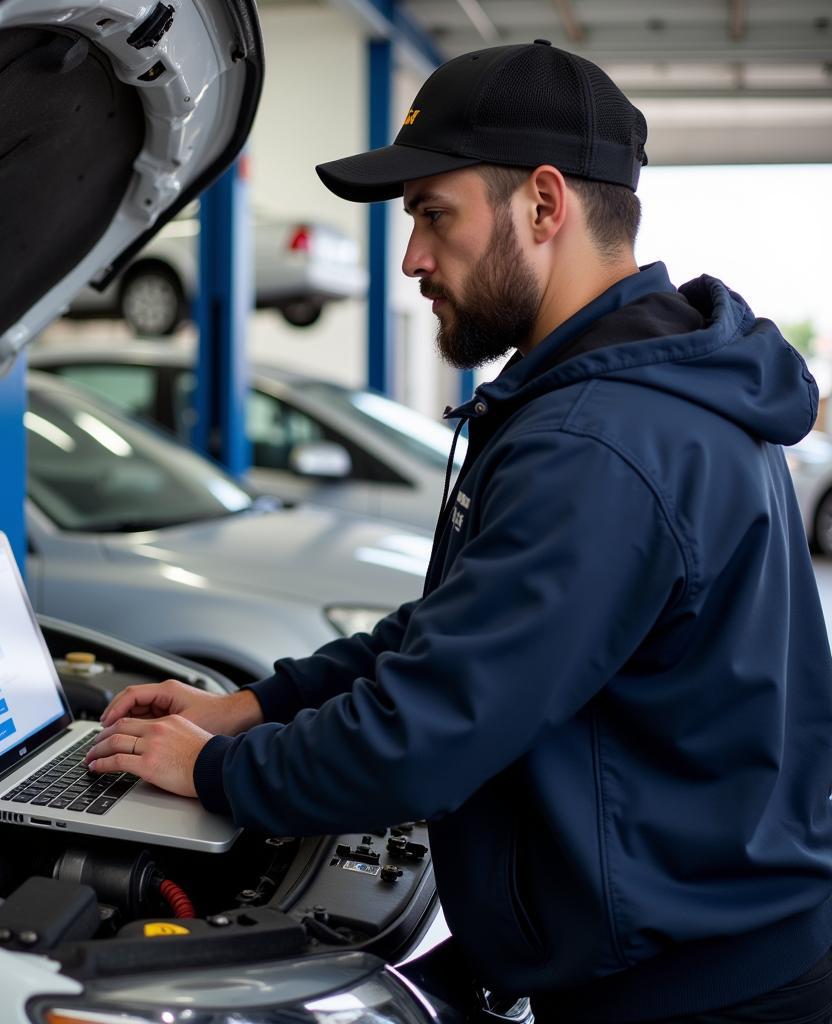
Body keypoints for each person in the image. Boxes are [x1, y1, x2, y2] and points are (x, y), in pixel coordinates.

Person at [84, 40, 832, 1022]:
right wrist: (254, 708)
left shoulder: (601, 441)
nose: (412, 259)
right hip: (705, 949)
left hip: (691, 994)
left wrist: (216, 769)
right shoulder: (636, 395)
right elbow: (449, 630)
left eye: (434, 215)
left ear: (543, 204)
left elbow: (425, 731)